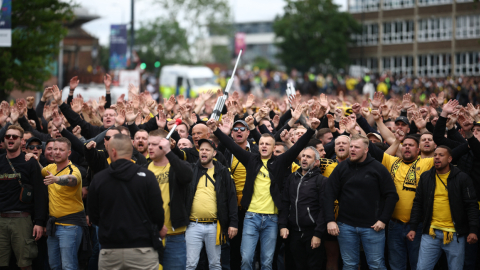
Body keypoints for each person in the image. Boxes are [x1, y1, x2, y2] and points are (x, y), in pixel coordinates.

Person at [207, 105, 319, 270]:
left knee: (267, 262)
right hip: (251, 217)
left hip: (272, 219)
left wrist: (311, 129)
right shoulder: (250, 159)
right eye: (261, 143)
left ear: (274, 148)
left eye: (268, 144)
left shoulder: (280, 162)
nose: (264, 146)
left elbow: (297, 147)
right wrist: (216, 130)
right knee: (246, 259)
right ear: (258, 146)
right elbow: (231, 145)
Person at [88, 134, 165, 270]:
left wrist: (109, 227)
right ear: (131, 151)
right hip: (142, 250)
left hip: (110, 251)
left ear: (113, 151)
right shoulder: (147, 176)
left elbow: (93, 216)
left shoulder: (99, 179)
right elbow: (157, 212)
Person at [325, 134, 398, 270]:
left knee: (376, 265)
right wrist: (330, 220)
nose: (352, 149)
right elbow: (328, 194)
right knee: (349, 265)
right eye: (351, 146)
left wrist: (383, 220)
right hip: (346, 226)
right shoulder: (341, 168)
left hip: (372, 227)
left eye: (356, 147)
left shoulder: (378, 168)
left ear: (366, 150)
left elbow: (392, 196)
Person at [408, 146, 478, 270]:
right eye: (435, 155)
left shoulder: (462, 178)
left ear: (450, 159)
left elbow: (471, 205)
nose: (437, 158)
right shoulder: (426, 177)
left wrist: (473, 230)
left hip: (455, 235)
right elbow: (418, 203)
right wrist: (413, 227)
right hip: (430, 234)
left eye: (441, 155)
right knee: (422, 268)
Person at [185, 139, 238, 270]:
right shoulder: (190, 169)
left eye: (207, 150)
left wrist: (233, 223)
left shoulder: (223, 172)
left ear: (214, 153)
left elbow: (232, 198)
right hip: (193, 225)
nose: (204, 152)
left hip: (215, 225)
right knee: (190, 264)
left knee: (215, 264)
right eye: (201, 149)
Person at [0, 125, 48, 270]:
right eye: (8, 136)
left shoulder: (30, 162)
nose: (11, 139)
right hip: (1, 218)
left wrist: (40, 222)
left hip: (22, 219)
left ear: (22, 142)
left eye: (15, 136)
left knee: (25, 264)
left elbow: (40, 194)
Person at [147, 129, 193, 270]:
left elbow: (186, 176)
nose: (149, 147)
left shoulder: (177, 166)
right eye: (149, 144)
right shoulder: (143, 169)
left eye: (154, 144)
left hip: (174, 236)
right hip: (149, 235)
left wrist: (169, 153)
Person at [42, 137, 87, 270]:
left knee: (68, 266)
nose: (56, 152)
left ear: (69, 153)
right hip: (54, 225)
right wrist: (32, 159)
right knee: (54, 265)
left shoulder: (73, 170)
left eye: (61, 150)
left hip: (70, 226)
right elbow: (40, 169)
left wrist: (57, 179)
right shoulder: (50, 168)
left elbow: (72, 180)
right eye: (55, 149)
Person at [279, 147, 327, 269]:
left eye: (309, 157)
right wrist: (283, 225)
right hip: (294, 232)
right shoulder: (292, 178)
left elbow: (324, 209)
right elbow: (285, 203)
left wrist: (318, 234)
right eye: (303, 156)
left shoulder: (321, 181)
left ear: (316, 162)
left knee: (314, 266)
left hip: (312, 232)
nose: (304, 159)